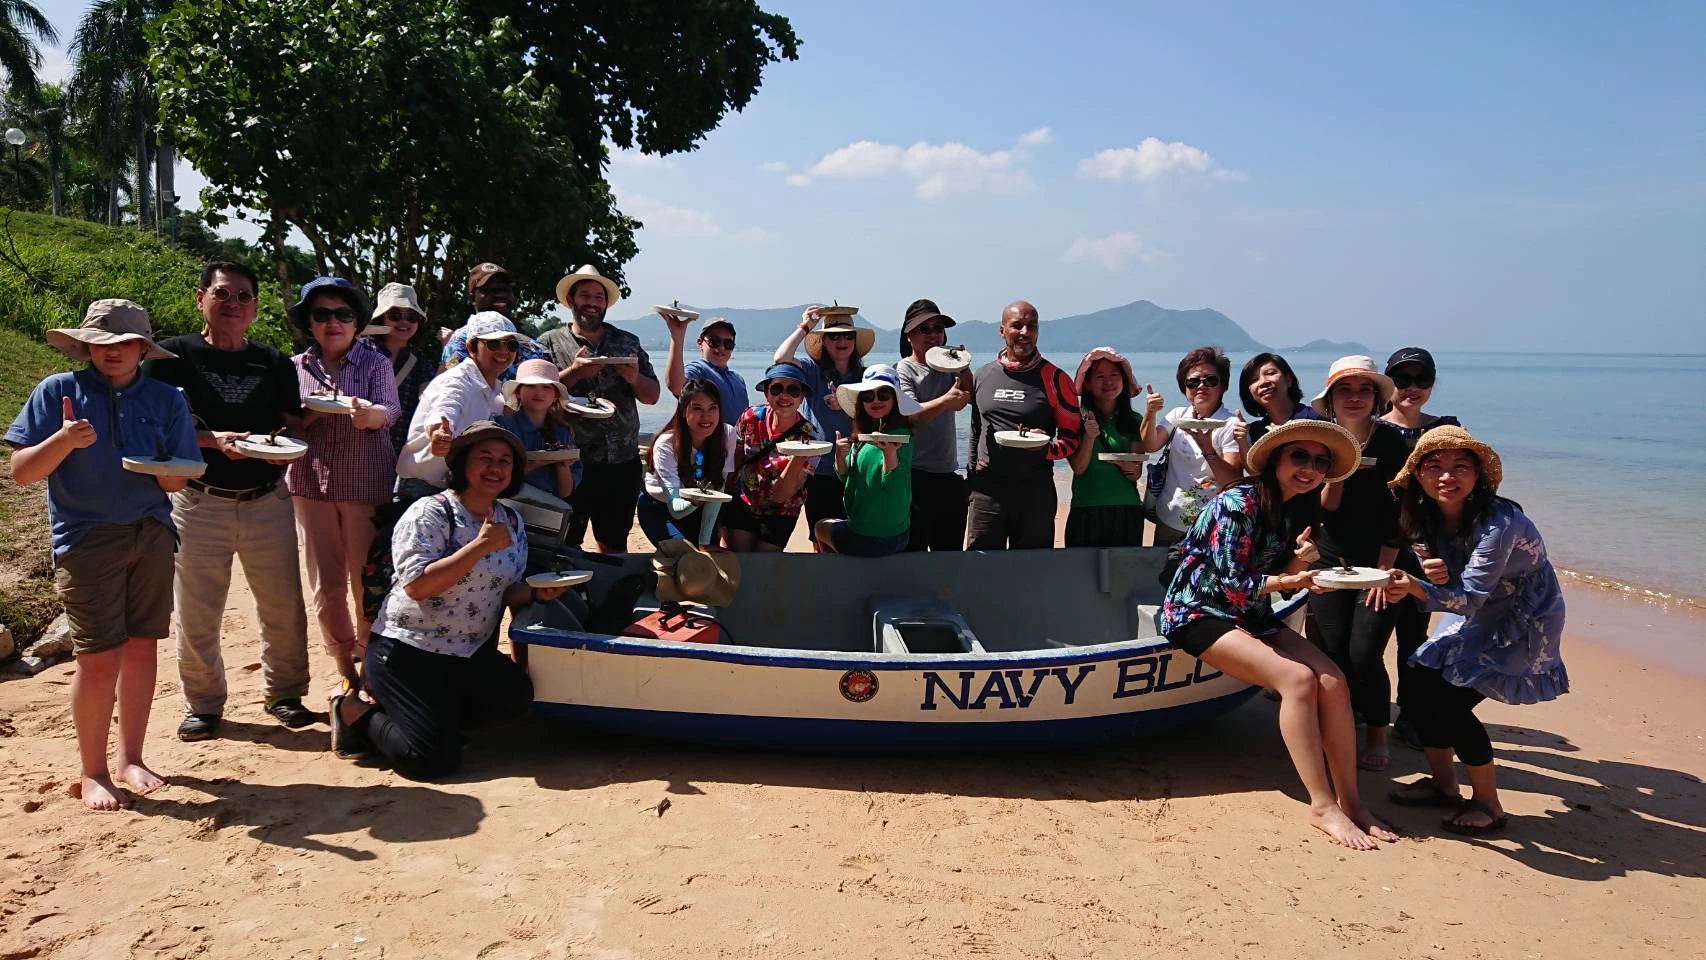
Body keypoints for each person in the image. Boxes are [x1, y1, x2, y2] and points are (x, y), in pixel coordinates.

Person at [1159, 419, 1399, 850]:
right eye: (1300, 456)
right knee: (1298, 680)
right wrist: (1296, 581)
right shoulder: (1239, 502)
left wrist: (1296, 565)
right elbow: (1232, 582)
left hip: (1248, 614)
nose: (1309, 467)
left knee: (1334, 680)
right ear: (1276, 460)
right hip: (1198, 612)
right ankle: (1322, 805)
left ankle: (1352, 800)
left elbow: (1268, 574)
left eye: (1320, 461)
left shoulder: (1289, 508)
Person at [6, 300, 198, 810]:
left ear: (142, 348)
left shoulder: (167, 398)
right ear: (86, 344)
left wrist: (162, 469)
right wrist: (65, 440)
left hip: (152, 533)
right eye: (102, 342)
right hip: (85, 538)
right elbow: (23, 471)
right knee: (97, 659)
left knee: (141, 648)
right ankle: (92, 770)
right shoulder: (58, 391)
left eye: (125, 343)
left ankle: (131, 758)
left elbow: (177, 481)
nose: (112, 352)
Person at [329, 422, 567, 779]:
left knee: (515, 700)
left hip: (468, 651)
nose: (496, 468)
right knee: (430, 760)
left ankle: (431, 717)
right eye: (484, 458)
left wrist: (536, 592)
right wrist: (480, 546)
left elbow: (507, 588)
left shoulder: (511, 521)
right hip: (408, 650)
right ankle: (350, 710)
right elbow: (417, 586)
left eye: (505, 461)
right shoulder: (431, 511)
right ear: (461, 463)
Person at [144, 262, 315, 741]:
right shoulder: (171, 355)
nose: (233, 304)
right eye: (223, 294)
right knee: (198, 610)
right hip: (200, 499)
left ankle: (285, 693)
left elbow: (292, 424)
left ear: (256, 308)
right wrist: (210, 438)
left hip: (267, 497)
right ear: (201, 298)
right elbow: (153, 424)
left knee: (282, 605)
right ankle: (203, 704)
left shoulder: (274, 361)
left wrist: (297, 437)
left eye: (243, 297)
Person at [1381, 427, 1567, 834]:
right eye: (1434, 467)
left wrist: (1415, 586)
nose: (1447, 476)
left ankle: (1489, 805)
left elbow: (1466, 599)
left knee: (1450, 703)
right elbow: (1446, 580)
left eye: (1459, 467)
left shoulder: (1500, 521)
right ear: (1418, 477)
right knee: (1419, 680)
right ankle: (1445, 788)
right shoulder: (1421, 516)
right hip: (1477, 605)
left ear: (1478, 476)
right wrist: (1425, 577)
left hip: (1522, 614)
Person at [287, 277, 401, 685]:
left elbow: (389, 411)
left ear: (356, 322)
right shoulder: (295, 368)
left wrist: (366, 415)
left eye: (343, 314)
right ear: (309, 322)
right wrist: (309, 415)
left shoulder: (376, 364)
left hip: (365, 484)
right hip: (309, 483)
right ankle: (342, 667)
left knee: (366, 580)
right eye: (322, 314)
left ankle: (370, 661)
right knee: (325, 582)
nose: (333, 322)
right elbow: (286, 427)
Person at [1305, 356, 1409, 772]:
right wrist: (1341, 470)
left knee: (1365, 653)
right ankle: (1338, 727)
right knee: (1329, 650)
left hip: (1380, 558)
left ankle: (1378, 732)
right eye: (1344, 391)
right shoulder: (1323, 441)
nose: (1354, 398)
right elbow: (1325, 508)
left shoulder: (1393, 444)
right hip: (1330, 556)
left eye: (1363, 390)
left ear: (1376, 398)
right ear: (1331, 399)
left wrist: (1384, 575)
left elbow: (1400, 516)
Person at [538, 264, 660, 552]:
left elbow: (652, 396)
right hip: (568, 461)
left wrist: (633, 378)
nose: (592, 303)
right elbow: (535, 394)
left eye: (598, 297)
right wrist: (575, 374)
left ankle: (607, 594)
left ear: (605, 304)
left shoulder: (626, 341)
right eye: (585, 296)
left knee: (614, 543)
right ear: (570, 301)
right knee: (565, 544)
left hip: (622, 462)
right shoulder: (549, 343)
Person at [1377, 346, 1462, 748]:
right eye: (1402, 379)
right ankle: (1369, 707)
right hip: (1378, 545)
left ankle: (1410, 714)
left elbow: (1461, 486)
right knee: (1373, 634)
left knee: (1414, 636)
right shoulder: (1373, 429)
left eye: (1421, 380)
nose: (1412, 388)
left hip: (1427, 548)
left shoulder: (1446, 429)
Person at [966, 301, 1081, 550]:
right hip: (988, 491)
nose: (1025, 333)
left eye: (1032, 326)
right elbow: (976, 429)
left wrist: (1045, 447)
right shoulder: (983, 375)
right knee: (979, 568)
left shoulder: (1056, 379)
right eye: (1017, 326)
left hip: (1034, 491)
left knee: (1031, 571)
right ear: (1002, 330)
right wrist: (972, 477)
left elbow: (1073, 438)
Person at [396, 313, 533, 499]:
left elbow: (506, 411)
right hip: (423, 489)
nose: (503, 351)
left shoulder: (495, 388)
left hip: (454, 489)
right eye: (493, 344)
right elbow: (445, 409)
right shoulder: (456, 381)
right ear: (471, 348)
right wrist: (439, 434)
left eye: (511, 345)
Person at [773, 307, 875, 533]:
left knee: (855, 535)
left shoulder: (865, 377)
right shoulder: (812, 370)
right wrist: (805, 327)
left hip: (855, 469)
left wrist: (848, 402)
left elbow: (878, 415)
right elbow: (781, 358)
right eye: (834, 336)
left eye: (848, 335)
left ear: (855, 341)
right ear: (824, 341)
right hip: (817, 471)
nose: (842, 340)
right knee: (821, 538)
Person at [1141, 346, 1246, 547]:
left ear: (1223, 386)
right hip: (1169, 519)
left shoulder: (1230, 424)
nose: (1201, 386)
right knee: (1164, 576)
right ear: (1184, 388)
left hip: (1212, 524)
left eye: (1210, 380)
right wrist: (1150, 412)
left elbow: (1232, 481)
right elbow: (1150, 444)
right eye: (1193, 382)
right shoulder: (1177, 416)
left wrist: (1207, 450)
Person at [894, 299, 971, 551]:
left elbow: (966, 400)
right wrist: (946, 400)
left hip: (948, 474)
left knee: (948, 555)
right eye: (923, 329)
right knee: (913, 553)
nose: (933, 335)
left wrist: (964, 369)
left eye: (938, 328)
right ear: (908, 336)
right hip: (914, 475)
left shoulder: (950, 367)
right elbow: (911, 416)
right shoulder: (904, 369)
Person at [816, 365, 917, 557]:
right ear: (861, 401)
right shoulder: (865, 435)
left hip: (873, 537)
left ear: (895, 399)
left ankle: (837, 573)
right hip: (882, 530)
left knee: (821, 528)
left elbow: (894, 487)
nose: (875, 401)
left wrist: (890, 455)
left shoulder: (899, 438)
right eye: (868, 396)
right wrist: (839, 454)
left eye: (883, 395)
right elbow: (846, 476)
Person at [724, 362, 820, 552]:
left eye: (793, 390)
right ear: (767, 393)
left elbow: (783, 494)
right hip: (744, 499)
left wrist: (800, 454)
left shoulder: (812, 439)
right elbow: (736, 457)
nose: (784, 396)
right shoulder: (750, 417)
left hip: (782, 511)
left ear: (802, 397)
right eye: (776, 389)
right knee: (738, 559)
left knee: (763, 564)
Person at [639, 378, 738, 546]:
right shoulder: (666, 445)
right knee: (686, 556)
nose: (706, 416)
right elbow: (675, 509)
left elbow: (718, 487)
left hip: (699, 510)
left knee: (708, 561)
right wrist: (699, 498)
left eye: (712, 408)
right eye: (697, 408)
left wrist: (705, 542)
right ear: (684, 411)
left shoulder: (727, 434)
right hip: (661, 508)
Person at [1065, 348, 1146, 548]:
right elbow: (1079, 468)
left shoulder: (1135, 421)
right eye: (1100, 376)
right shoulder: (1075, 421)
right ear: (1088, 384)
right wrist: (1090, 437)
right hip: (1086, 506)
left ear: (1124, 380)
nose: (1108, 382)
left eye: (1114, 375)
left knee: (1123, 575)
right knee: (1082, 574)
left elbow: (1135, 473)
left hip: (1126, 507)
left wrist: (1118, 461)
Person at [367, 282, 439, 455]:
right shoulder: (361, 353)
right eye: (395, 314)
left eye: (411, 316)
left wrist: (449, 352)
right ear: (382, 317)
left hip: (395, 454)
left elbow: (431, 400)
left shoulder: (420, 365)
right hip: (356, 449)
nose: (404, 321)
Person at [496, 358, 580, 499]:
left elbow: (565, 492)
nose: (538, 392)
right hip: (507, 506)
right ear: (518, 392)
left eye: (546, 387)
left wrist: (562, 465)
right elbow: (496, 477)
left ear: (556, 396)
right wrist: (535, 463)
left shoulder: (563, 433)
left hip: (548, 511)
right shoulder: (503, 428)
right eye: (531, 386)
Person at [439, 262, 541, 374]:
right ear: (472, 297)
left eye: (506, 290)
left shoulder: (531, 347)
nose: (501, 295)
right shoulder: (460, 342)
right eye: (490, 290)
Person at [662, 312, 748, 424]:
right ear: (700, 343)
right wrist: (677, 335)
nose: (721, 348)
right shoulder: (698, 371)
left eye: (728, 343)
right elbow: (676, 386)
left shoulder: (738, 379)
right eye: (714, 342)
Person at [1238, 352, 1325, 444]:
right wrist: (1242, 442)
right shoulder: (1253, 432)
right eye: (1254, 380)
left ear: (1288, 380)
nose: (1263, 382)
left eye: (1270, 373)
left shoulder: (1315, 419)